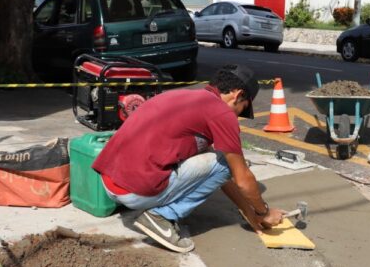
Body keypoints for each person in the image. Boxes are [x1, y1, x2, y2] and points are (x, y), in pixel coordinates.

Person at [92, 64, 284, 253]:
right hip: (135, 193)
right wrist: (264, 212)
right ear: (238, 94)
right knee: (228, 164)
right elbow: (240, 178)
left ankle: (151, 205)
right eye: (243, 108)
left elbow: (217, 175)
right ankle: (161, 217)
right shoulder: (222, 113)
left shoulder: (184, 97)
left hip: (110, 185)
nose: (239, 115)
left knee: (217, 160)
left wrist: (248, 212)